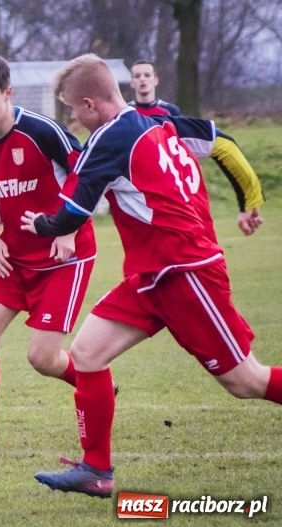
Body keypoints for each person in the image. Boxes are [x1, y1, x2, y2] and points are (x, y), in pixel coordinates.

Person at [20, 53, 268, 498]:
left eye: (73, 109)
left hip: (186, 272)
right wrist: (252, 197)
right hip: (151, 276)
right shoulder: (159, 122)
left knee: (246, 381)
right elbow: (224, 143)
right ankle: (95, 471)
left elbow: (70, 213)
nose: (72, 119)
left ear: (92, 104)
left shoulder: (110, 138)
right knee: (88, 353)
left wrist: (41, 224)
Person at [0, 54, 96, 457]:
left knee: (43, 359)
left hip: (64, 258)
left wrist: (69, 226)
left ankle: (95, 384)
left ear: (8, 94)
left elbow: (86, 176)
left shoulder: (42, 131)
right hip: (15, 259)